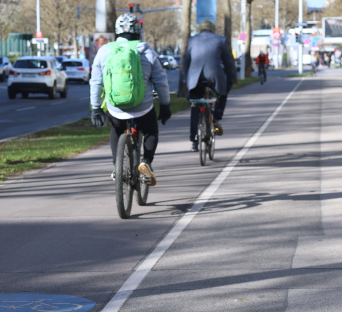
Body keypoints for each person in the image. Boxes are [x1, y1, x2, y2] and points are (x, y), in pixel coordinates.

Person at [90, 13, 171, 186]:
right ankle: (146, 162)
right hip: (143, 105)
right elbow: (160, 81)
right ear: (138, 31)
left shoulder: (104, 50)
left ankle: (116, 168)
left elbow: (96, 82)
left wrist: (96, 108)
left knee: (117, 129)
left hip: (116, 107)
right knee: (150, 131)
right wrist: (165, 104)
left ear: (117, 31)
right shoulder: (146, 50)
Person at [179, 19, 237, 152]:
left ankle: (194, 140)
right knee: (222, 94)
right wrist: (231, 79)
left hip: (195, 78)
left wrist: (185, 80)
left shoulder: (191, 40)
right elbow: (228, 62)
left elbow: (186, 62)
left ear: (200, 29)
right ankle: (216, 118)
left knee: (195, 106)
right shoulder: (220, 40)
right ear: (212, 29)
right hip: (214, 76)